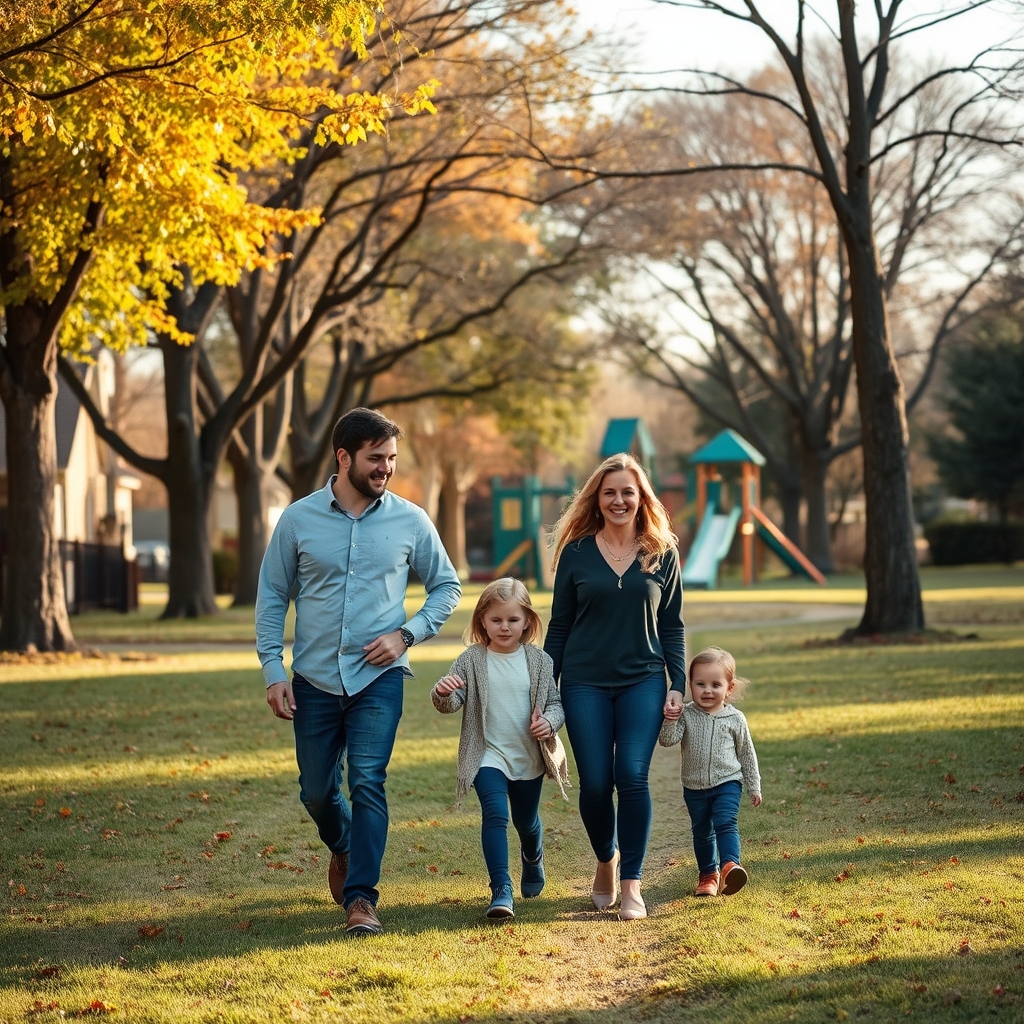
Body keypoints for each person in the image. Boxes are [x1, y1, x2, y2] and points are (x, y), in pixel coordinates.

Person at [256, 407, 461, 937]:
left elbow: (447, 586)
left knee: (369, 780)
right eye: (376, 458)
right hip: (315, 680)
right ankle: (345, 845)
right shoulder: (299, 519)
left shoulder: (411, 520)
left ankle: (362, 899)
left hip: (379, 679)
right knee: (317, 792)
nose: (386, 468)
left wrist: (406, 635)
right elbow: (273, 595)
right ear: (343, 457)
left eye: (391, 458)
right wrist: (272, 671)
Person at [544, 453, 685, 920]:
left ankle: (632, 885)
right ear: (597, 499)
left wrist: (678, 682)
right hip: (584, 682)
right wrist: (547, 688)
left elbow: (672, 625)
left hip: (642, 680)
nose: (619, 500)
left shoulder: (662, 553)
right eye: (610, 492)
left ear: (641, 497)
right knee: (596, 784)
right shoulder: (578, 552)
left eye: (628, 491)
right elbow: (559, 627)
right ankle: (606, 859)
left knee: (631, 775)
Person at [431, 577, 568, 920]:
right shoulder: (470, 660)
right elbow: (452, 703)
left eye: (513, 620)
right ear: (482, 622)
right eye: (496, 620)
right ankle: (501, 889)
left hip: (527, 756)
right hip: (486, 754)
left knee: (526, 821)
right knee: (495, 814)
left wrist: (549, 722)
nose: (504, 627)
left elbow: (556, 703)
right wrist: (443, 693)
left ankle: (533, 856)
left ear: (527, 622)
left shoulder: (539, 661)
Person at [659, 646, 762, 897]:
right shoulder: (687, 714)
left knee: (725, 823)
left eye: (715, 684)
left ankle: (730, 865)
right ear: (690, 685)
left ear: (730, 688)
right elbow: (667, 740)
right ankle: (708, 875)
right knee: (702, 831)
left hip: (728, 782)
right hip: (694, 786)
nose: (707, 690)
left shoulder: (735, 719)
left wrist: (754, 786)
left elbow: (747, 754)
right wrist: (671, 717)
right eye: (700, 683)